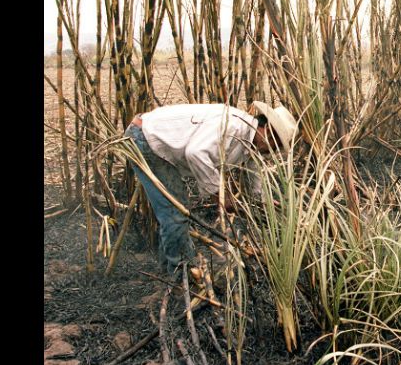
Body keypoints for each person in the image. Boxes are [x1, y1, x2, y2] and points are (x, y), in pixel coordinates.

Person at [123, 101, 297, 276]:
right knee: (175, 210)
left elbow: (253, 174)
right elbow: (195, 153)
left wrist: (263, 202)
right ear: (268, 131)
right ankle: (180, 275)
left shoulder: (249, 140)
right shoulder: (232, 126)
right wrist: (220, 195)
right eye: (274, 146)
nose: (272, 152)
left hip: (152, 139)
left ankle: (170, 271)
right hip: (146, 138)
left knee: (175, 210)